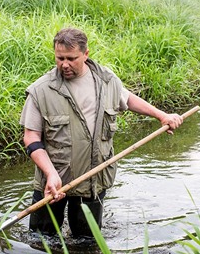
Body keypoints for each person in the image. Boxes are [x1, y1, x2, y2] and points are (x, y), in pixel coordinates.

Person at [19, 27, 183, 238]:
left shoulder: (106, 81)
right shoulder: (41, 91)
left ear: (86, 54)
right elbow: (31, 137)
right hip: (53, 182)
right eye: (59, 58)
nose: (64, 64)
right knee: (40, 241)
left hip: (93, 181)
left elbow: (128, 98)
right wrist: (50, 173)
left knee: (87, 242)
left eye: (71, 58)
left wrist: (162, 115)